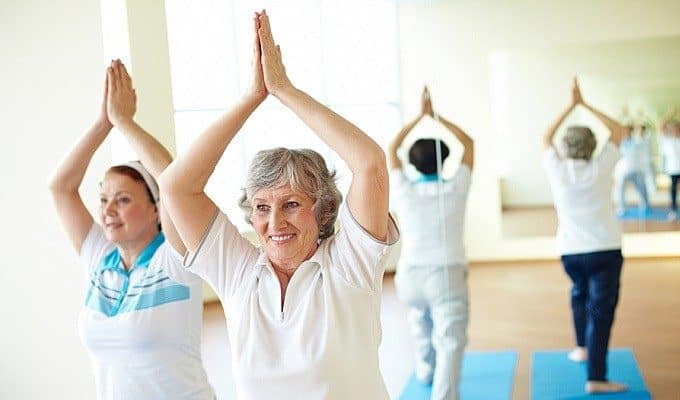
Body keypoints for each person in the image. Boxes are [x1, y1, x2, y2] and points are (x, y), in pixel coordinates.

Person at [159, 11, 398, 400]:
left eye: (291, 204)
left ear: (322, 211)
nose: (274, 222)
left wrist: (284, 90)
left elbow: (369, 163)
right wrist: (251, 98)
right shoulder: (238, 271)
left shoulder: (350, 263)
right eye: (261, 207)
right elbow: (175, 186)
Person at [48, 60, 214, 400]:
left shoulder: (176, 258)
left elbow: (173, 178)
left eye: (122, 200)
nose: (107, 211)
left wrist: (125, 123)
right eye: (104, 198)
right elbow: (61, 187)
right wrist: (102, 123)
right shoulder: (100, 256)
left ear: (157, 207)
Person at [542, 78, 627, 394]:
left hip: (570, 252)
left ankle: (581, 347)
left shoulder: (557, 170)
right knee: (600, 313)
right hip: (605, 250)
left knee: (579, 293)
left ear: (566, 148)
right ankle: (596, 378)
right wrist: (585, 105)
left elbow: (545, 136)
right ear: (593, 146)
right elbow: (618, 130)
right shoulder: (602, 165)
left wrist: (571, 105)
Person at [387, 86, 473, 400]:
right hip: (446, 275)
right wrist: (436, 117)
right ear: (444, 160)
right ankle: (443, 395)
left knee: (419, 319)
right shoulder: (456, 187)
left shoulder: (404, 189)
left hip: (409, 276)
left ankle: (425, 369)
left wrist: (419, 117)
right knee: (450, 339)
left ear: (412, 163)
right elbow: (469, 144)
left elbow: (392, 148)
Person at [614, 124, 651, 214]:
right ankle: (621, 208)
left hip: (637, 169)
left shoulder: (638, 141)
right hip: (623, 170)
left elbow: (642, 142)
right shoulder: (621, 142)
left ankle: (645, 206)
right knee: (620, 189)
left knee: (642, 189)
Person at [659, 119, 680, 220]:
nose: (676, 131)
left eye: (678, 129)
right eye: (675, 129)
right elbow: (661, 125)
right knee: (673, 191)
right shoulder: (668, 140)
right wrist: (670, 114)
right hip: (673, 170)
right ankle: (673, 211)